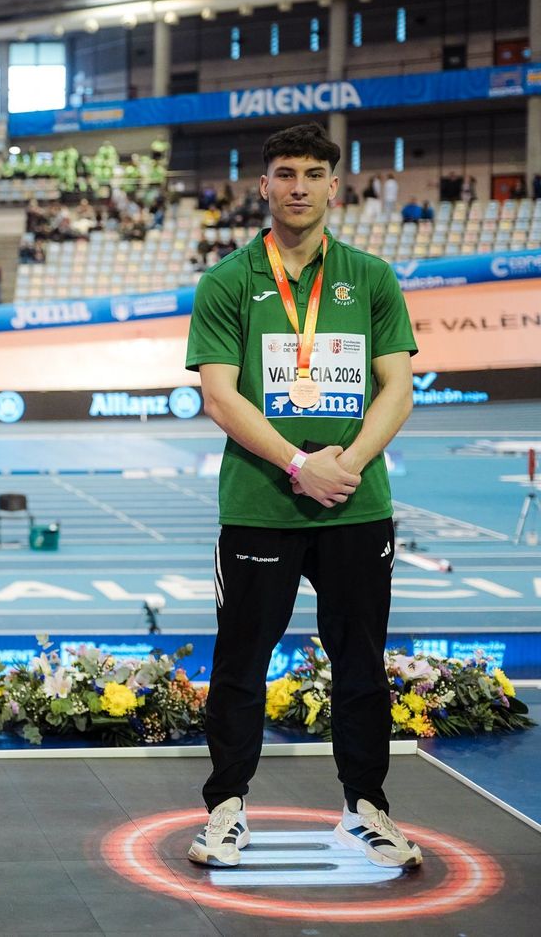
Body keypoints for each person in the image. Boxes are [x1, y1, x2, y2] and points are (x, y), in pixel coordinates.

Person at [184, 122, 420, 871]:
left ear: (333, 186)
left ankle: (369, 808)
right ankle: (226, 807)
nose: (297, 187)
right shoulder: (227, 281)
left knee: (361, 661)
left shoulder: (372, 277)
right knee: (242, 662)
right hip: (261, 503)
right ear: (263, 185)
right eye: (284, 173)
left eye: (312, 174)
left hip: (356, 502)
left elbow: (398, 387)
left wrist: (341, 463)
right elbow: (220, 399)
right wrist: (297, 463)